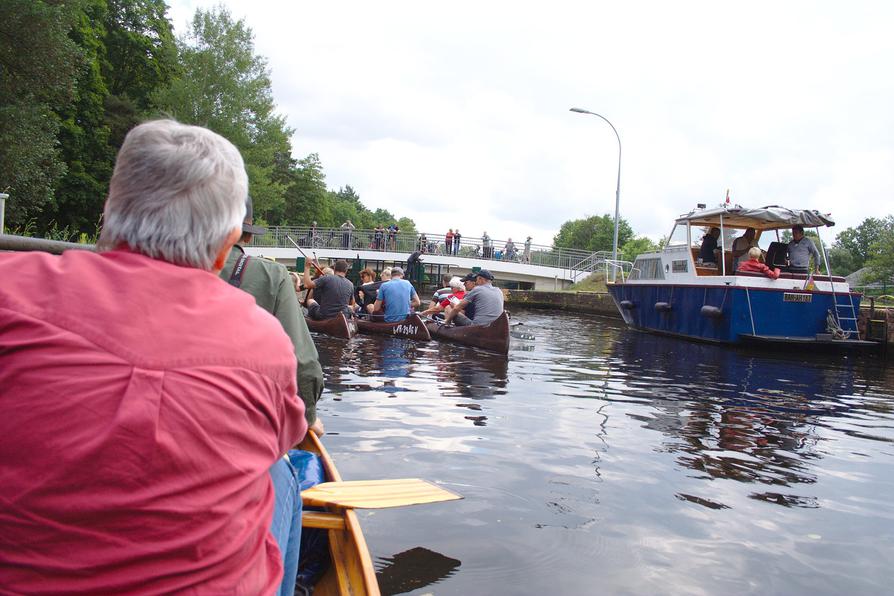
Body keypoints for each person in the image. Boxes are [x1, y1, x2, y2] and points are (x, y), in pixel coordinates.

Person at [0, 120, 306, 593]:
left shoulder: (8, 289)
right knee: (280, 469)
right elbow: (287, 431)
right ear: (227, 247)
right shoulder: (265, 343)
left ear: (109, 212)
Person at [221, 196, 325, 437]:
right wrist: (308, 416)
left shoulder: (164, 268)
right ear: (247, 235)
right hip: (242, 424)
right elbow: (304, 364)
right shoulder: (272, 274)